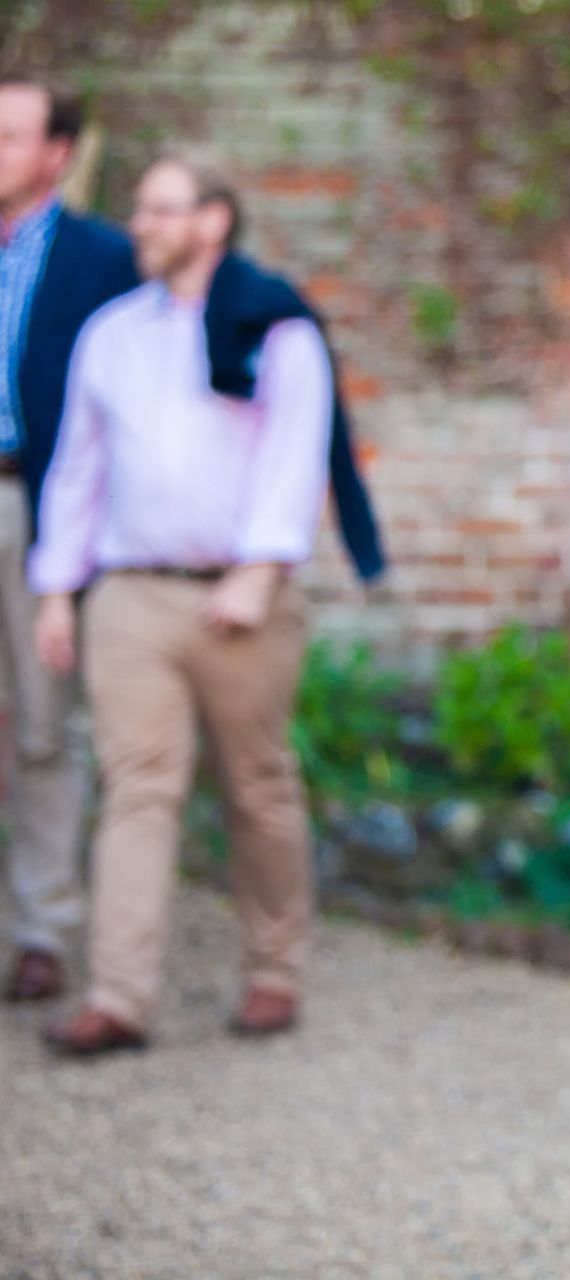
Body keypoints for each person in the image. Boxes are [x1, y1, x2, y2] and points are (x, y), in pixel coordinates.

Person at [33, 154, 333, 1055]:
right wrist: (57, 589)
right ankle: (118, 996)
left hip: (239, 598)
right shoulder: (112, 334)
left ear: (213, 220)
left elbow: (297, 451)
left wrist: (261, 570)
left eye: (162, 210)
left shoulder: (276, 328)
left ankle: (275, 970)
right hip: (130, 594)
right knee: (136, 788)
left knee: (258, 786)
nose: (141, 225)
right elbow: (79, 467)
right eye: (140, 209)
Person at [0, 72, 139, 1003]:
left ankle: (41, 928)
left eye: (9, 135)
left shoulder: (105, 259)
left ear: (57, 154)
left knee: (45, 725)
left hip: (36, 503)